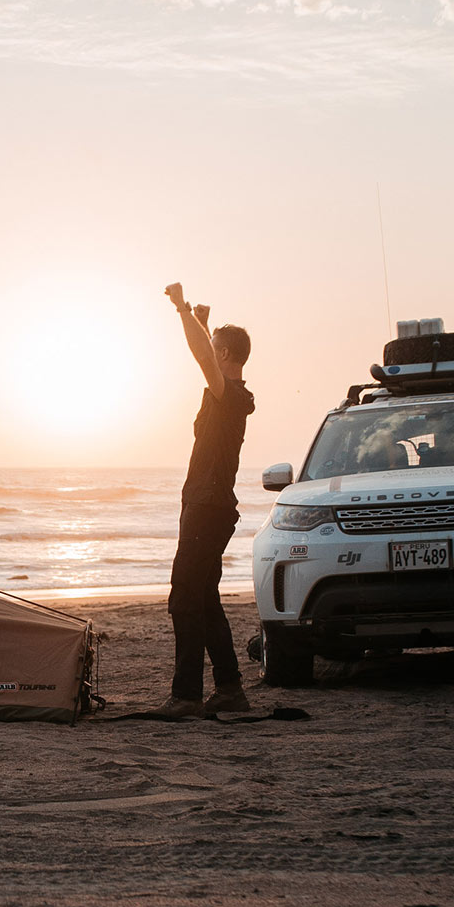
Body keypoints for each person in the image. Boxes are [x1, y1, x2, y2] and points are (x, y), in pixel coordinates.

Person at [158, 282, 255, 718]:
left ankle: (186, 697)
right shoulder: (229, 397)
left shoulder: (230, 395)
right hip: (207, 506)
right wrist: (205, 322)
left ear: (227, 356)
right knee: (205, 597)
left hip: (207, 507)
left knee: (184, 598)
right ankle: (231, 688)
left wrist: (183, 311)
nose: (210, 352)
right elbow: (208, 353)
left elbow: (203, 357)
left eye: (216, 347)